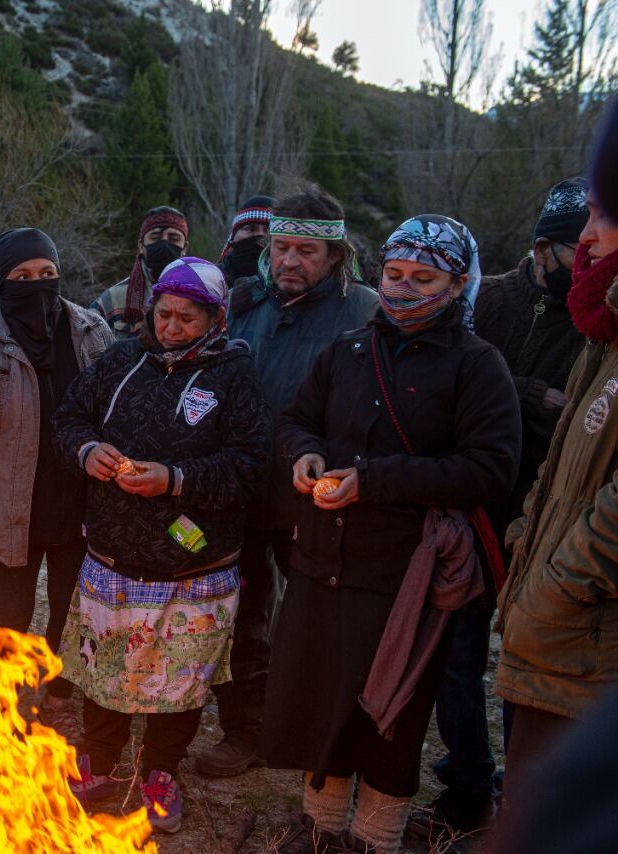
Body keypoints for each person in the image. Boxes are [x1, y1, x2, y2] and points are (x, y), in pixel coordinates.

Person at [266, 214, 520, 854]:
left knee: (391, 705)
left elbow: (489, 468)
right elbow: (297, 419)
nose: (403, 289)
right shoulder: (347, 351)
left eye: (423, 279)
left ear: (458, 285)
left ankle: (375, 837)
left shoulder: (477, 365)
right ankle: (321, 826)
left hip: (406, 572)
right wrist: (305, 453)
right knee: (322, 690)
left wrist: (373, 481)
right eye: (395, 274)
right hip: (323, 554)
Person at [53, 258, 270, 833]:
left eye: (187, 318)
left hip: (194, 563)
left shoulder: (234, 375)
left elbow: (250, 465)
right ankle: (99, 765)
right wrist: (86, 451)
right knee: (105, 671)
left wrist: (175, 479)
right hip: (115, 556)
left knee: (179, 680)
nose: (172, 328)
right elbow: (69, 417)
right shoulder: (122, 359)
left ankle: (160, 773)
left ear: (216, 319)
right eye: (163, 314)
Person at [409, 177, 590, 839]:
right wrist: (534, 395)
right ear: (544, 247)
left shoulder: (597, 318)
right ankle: (465, 787)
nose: (587, 260)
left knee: (525, 664)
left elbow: (586, 417)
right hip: (472, 507)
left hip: (547, 513)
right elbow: (454, 372)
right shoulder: (492, 299)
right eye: (574, 249)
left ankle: (521, 800)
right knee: (457, 656)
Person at [199, 186, 378, 780]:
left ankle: (312, 734)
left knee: (314, 624)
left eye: (306, 250)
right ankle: (245, 730)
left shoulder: (365, 314)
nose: (289, 260)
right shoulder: (244, 305)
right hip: (241, 491)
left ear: (335, 256)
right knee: (242, 616)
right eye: (281, 248)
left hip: (318, 497)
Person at [0, 227, 113, 739]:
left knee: (71, 610)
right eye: (23, 275)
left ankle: (58, 694)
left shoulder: (91, 330)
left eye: (47, 273)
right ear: (1, 282)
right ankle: (2, 698)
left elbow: (114, 404)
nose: (37, 285)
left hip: (79, 498)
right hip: (8, 500)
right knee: (11, 613)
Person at [493, 187, 618, 811]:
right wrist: (526, 541)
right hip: (553, 606)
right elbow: (568, 459)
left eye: (604, 216)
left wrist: (556, 582)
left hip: (587, 630)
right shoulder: (603, 333)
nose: (588, 237)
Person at [89, 207, 188, 338]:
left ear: (185, 248)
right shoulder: (113, 299)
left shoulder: (199, 297)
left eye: (174, 238)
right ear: (141, 246)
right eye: (155, 237)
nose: (164, 244)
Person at [219, 195, 275, 284]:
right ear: (233, 236)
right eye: (251, 229)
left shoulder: (286, 285)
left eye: (268, 231)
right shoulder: (213, 279)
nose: (260, 236)